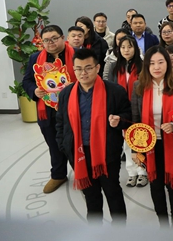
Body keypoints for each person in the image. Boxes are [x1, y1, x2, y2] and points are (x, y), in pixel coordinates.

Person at [55, 48, 131, 225]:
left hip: (107, 153)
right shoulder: (67, 94)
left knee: (112, 192)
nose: (83, 73)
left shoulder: (114, 91)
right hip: (79, 153)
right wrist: (64, 146)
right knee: (90, 195)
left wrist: (119, 120)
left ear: (97, 68)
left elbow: (128, 116)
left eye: (88, 68)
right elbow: (60, 122)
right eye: (78, 69)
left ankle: (121, 231)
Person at [131, 46, 173, 227]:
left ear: (168, 63)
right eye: (152, 63)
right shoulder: (138, 86)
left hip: (172, 144)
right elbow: (135, 119)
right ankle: (163, 224)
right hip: (149, 145)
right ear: (146, 66)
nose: (156, 67)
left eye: (161, 62)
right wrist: (134, 149)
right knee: (155, 186)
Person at [22, 25, 75, 194]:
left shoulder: (76, 55)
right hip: (47, 109)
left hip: (73, 108)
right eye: (46, 40)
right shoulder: (35, 58)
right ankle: (58, 175)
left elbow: (89, 77)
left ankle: (82, 174)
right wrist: (34, 91)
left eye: (54, 38)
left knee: (75, 143)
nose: (50, 42)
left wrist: (75, 86)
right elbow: (27, 81)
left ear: (62, 38)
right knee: (53, 143)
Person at [103, 35, 148, 188]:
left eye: (129, 46)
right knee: (127, 142)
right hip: (122, 110)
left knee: (140, 140)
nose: (126, 50)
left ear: (136, 48)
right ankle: (131, 172)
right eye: (123, 47)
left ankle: (142, 171)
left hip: (139, 108)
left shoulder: (143, 66)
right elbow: (110, 89)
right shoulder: (114, 67)